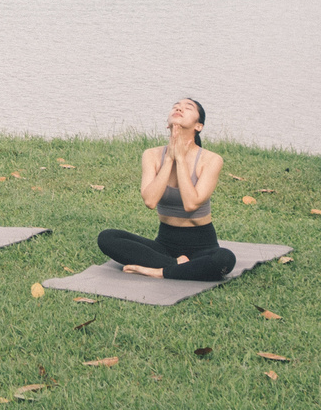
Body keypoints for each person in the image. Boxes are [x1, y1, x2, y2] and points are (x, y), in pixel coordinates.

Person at [97, 97, 236, 281]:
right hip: (165, 244)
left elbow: (191, 204)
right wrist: (169, 159)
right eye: (176, 107)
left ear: (198, 126)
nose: (179, 108)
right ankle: (176, 265)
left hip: (203, 245)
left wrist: (180, 159)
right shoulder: (152, 155)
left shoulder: (211, 160)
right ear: (167, 124)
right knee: (107, 238)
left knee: (224, 259)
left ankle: (158, 270)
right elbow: (150, 201)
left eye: (188, 108)